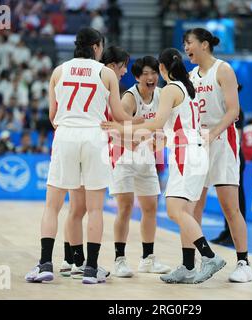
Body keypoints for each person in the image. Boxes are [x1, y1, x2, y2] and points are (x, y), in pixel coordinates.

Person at [101, 48, 226, 284]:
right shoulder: (187, 87)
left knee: (174, 211)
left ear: (161, 69)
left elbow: (157, 123)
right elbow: (166, 130)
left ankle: (208, 256)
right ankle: (188, 266)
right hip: (196, 152)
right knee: (185, 212)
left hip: (185, 153)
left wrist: (120, 129)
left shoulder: (169, 89)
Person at [25, 27, 134, 285]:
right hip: (94, 136)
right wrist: (143, 122)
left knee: (53, 205)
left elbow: (52, 116)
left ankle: (45, 264)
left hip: (66, 135)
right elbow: (118, 115)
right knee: (95, 208)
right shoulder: (106, 73)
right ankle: (91, 269)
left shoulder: (58, 71)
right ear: (97, 46)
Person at [184, 28, 252, 283]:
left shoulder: (223, 69)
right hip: (200, 144)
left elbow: (234, 110)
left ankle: (244, 263)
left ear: (204, 45)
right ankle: (194, 262)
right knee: (193, 206)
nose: (186, 48)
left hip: (222, 141)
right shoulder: (191, 75)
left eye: (189, 43)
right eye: (184, 44)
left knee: (229, 207)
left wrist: (212, 134)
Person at [59, 46, 131, 280]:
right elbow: (119, 119)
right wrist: (148, 122)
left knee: (76, 209)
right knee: (86, 209)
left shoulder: (83, 78)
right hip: (91, 147)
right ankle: (78, 261)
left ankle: (72, 260)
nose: (125, 72)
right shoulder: (105, 84)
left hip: (74, 142)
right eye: (123, 66)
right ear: (112, 66)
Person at [108, 55, 170, 277]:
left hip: (147, 157)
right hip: (123, 156)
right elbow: (115, 133)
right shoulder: (129, 99)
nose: (151, 77)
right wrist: (140, 141)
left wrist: (157, 143)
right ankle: (119, 259)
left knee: (150, 208)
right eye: (146, 74)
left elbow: (164, 131)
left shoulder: (162, 95)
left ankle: (147, 259)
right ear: (137, 77)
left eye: (154, 73)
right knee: (125, 208)